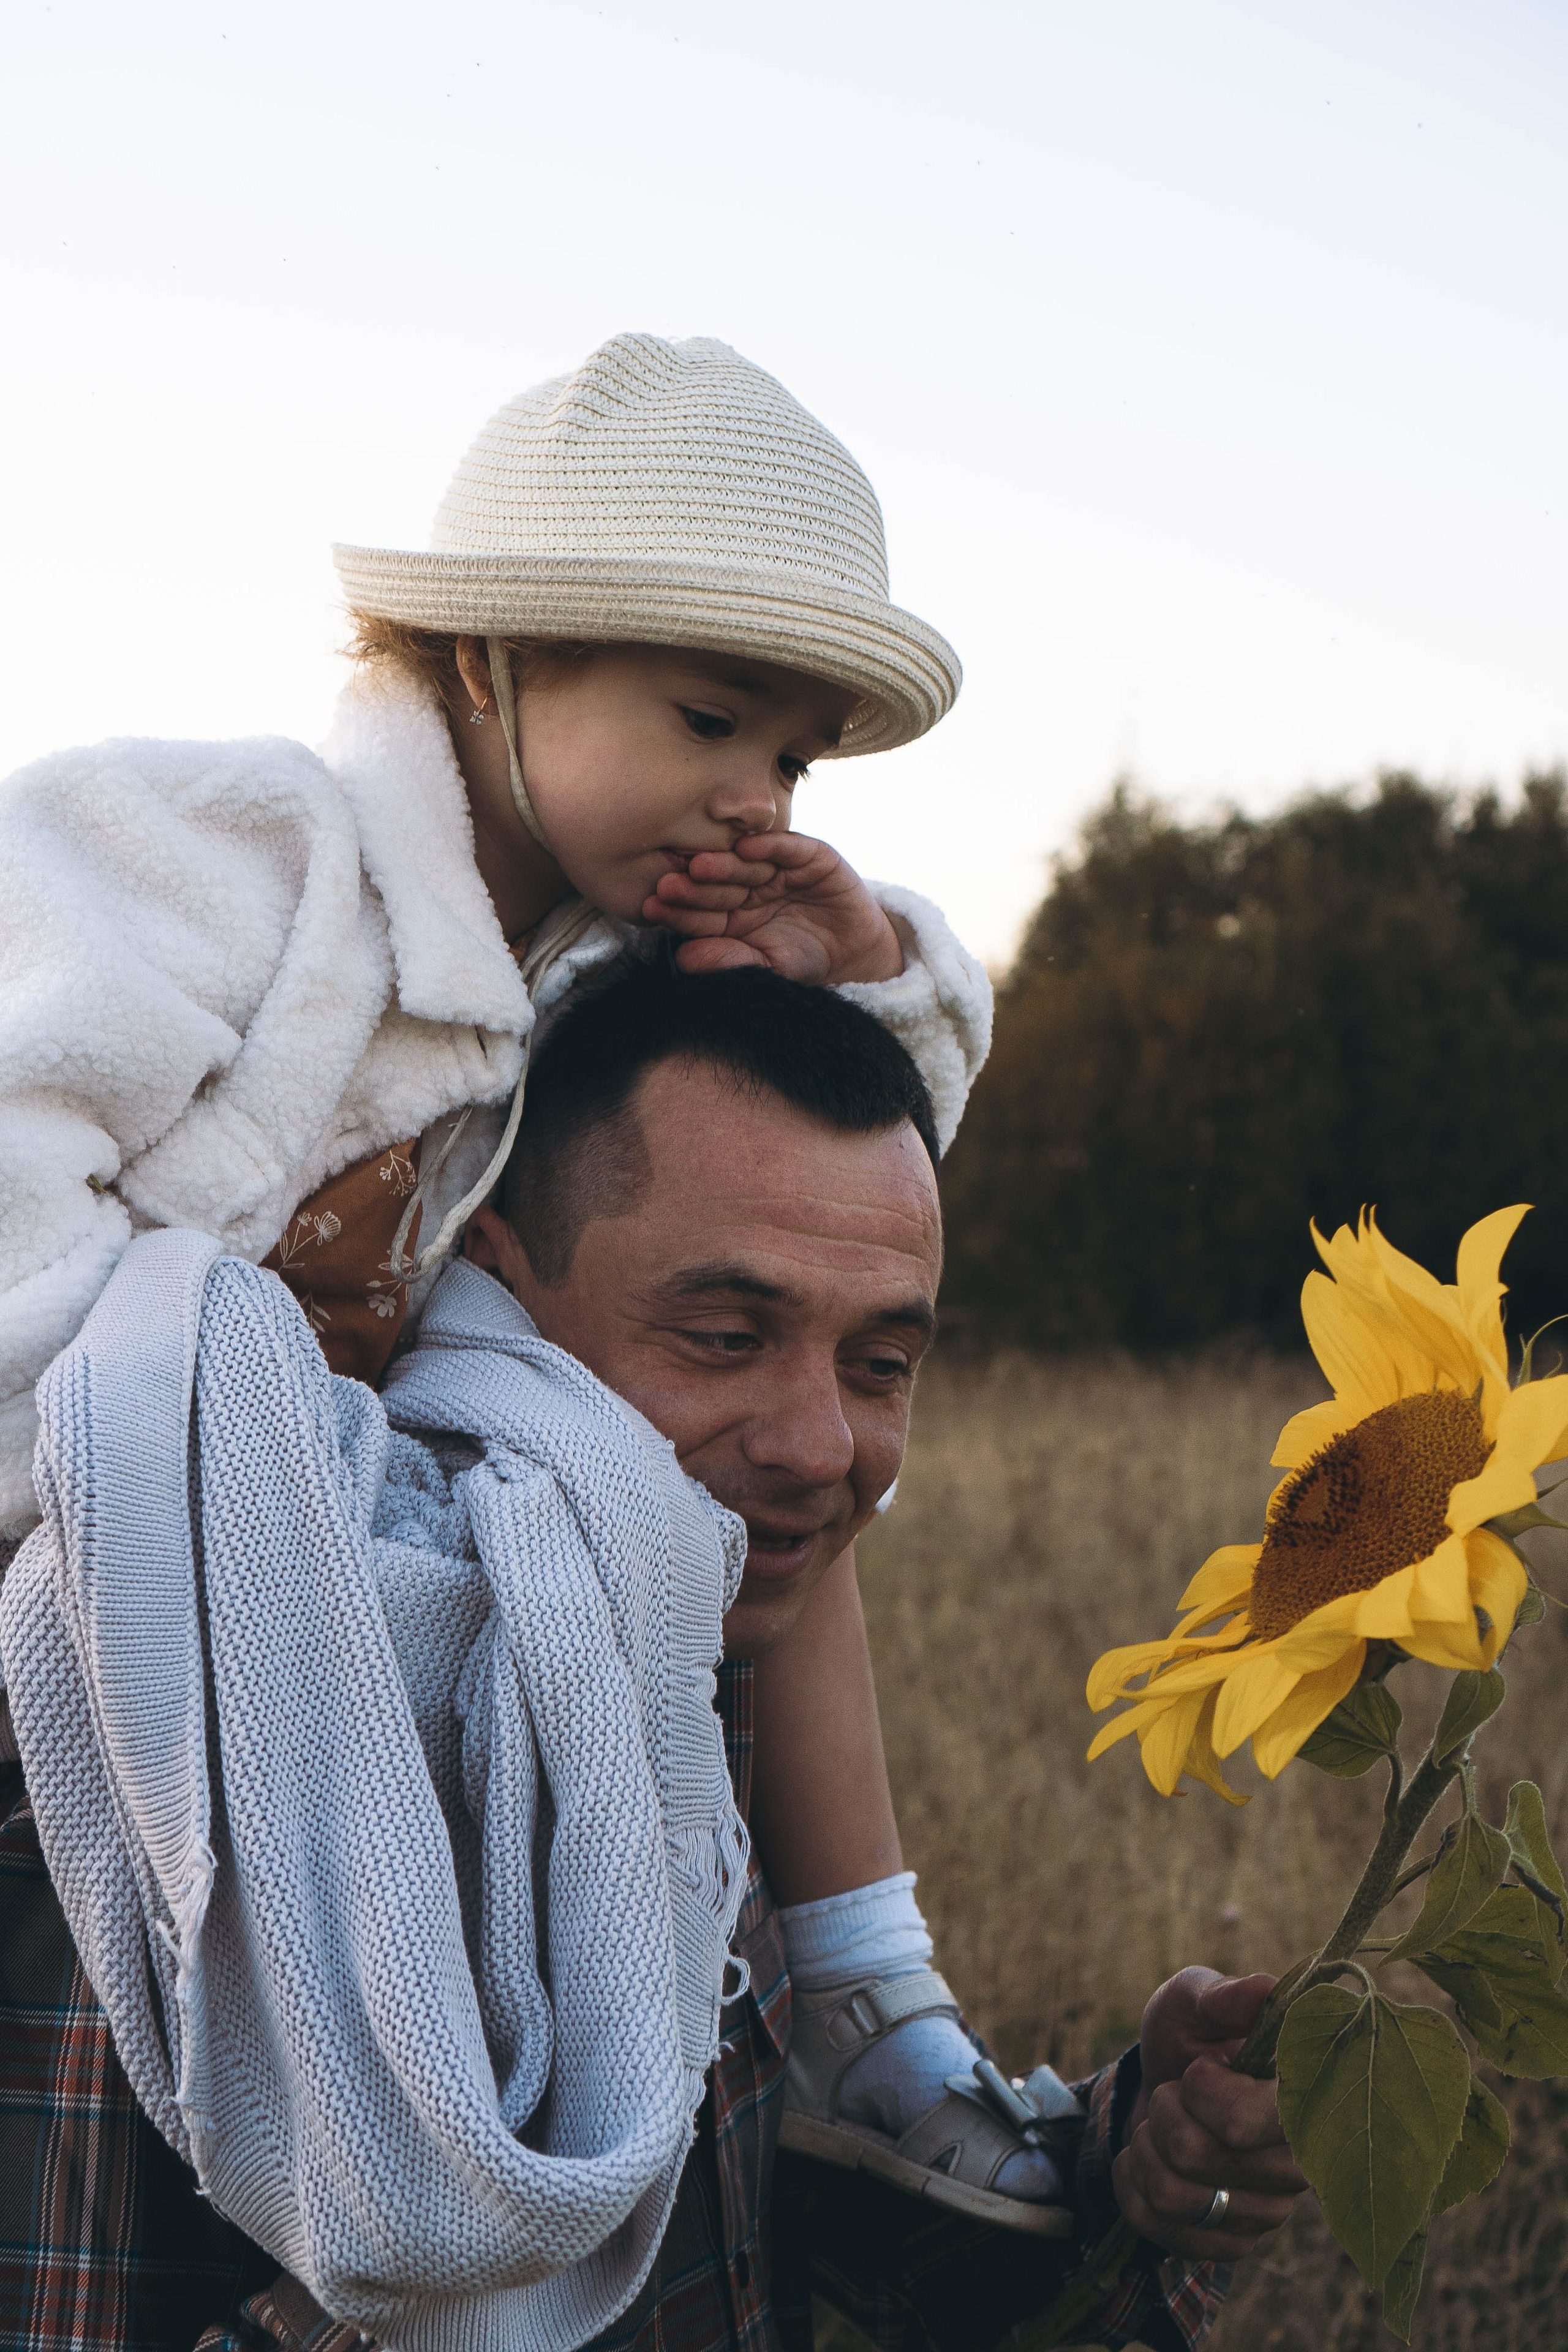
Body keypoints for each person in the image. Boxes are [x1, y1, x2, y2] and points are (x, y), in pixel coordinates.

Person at [0, 333, 993, 2236]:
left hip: (371, 1552)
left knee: (763, 1452)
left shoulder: (602, 978)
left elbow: (820, 1182)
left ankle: (867, 1993)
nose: (755, 797)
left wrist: (858, 973)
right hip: (120, 1539)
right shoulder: (240, 858)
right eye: (710, 719)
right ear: (493, 662)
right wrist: (152, 1478)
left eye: (789, 755)